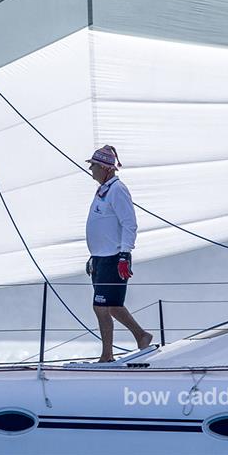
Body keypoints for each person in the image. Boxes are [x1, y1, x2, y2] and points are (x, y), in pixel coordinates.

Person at [85, 145, 152, 362]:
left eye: (93, 165)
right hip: (100, 258)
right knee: (112, 306)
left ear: (105, 168)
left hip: (114, 258)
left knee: (101, 306)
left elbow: (129, 224)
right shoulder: (103, 190)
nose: (91, 169)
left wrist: (125, 255)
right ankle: (141, 335)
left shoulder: (117, 190)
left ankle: (107, 355)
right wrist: (93, 255)